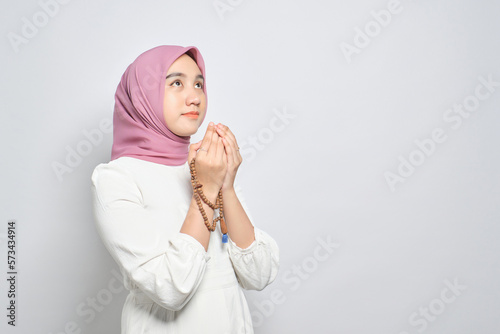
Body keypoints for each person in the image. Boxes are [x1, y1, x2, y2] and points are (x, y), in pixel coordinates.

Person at [90, 45, 279, 333]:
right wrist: (205, 191)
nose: (195, 97)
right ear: (143, 96)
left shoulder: (207, 165)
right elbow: (171, 287)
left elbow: (259, 273)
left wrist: (225, 186)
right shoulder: (117, 178)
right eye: (176, 83)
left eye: (199, 84)